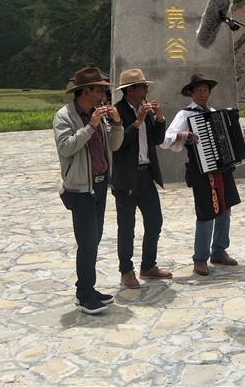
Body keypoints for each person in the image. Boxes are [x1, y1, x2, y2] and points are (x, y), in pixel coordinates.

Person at [53, 67, 124, 314]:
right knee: (87, 242)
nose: (104, 95)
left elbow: (114, 146)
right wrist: (91, 126)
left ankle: (88, 288)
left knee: (94, 239)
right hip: (80, 189)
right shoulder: (64, 117)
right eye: (100, 90)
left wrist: (117, 123)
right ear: (86, 91)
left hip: (100, 185)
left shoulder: (98, 114)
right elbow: (66, 147)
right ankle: (84, 295)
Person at [161, 73, 241, 276]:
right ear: (191, 93)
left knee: (225, 208)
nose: (202, 93)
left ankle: (219, 250)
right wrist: (183, 135)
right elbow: (165, 140)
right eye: (198, 90)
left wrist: (241, 139)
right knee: (206, 213)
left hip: (221, 169)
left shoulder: (214, 112)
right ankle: (200, 258)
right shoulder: (184, 115)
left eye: (205, 89)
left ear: (209, 92)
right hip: (201, 171)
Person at [111, 68, 173, 289]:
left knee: (155, 221)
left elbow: (157, 140)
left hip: (146, 175)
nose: (147, 90)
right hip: (126, 178)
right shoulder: (116, 111)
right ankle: (126, 271)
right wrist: (137, 122)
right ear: (130, 90)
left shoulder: (144, 109)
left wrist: (159, 117)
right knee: (127, 227)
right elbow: (117, 145)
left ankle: (148, 266)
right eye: (143, 87)